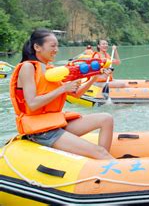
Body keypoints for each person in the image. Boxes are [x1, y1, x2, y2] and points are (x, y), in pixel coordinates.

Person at [9, 29, 114, 159]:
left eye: (57, 46)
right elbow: (32, 104)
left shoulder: (50, 70)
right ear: (37, 47)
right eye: (52, 46)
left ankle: (100, 164)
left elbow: (76, 94)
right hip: (40, 131)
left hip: (55, 123)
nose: (56, 49)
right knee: (100, 152)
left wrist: (95, 77)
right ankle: (102, 158)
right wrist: (62, 89)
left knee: (106, 118)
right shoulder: (28, 68)